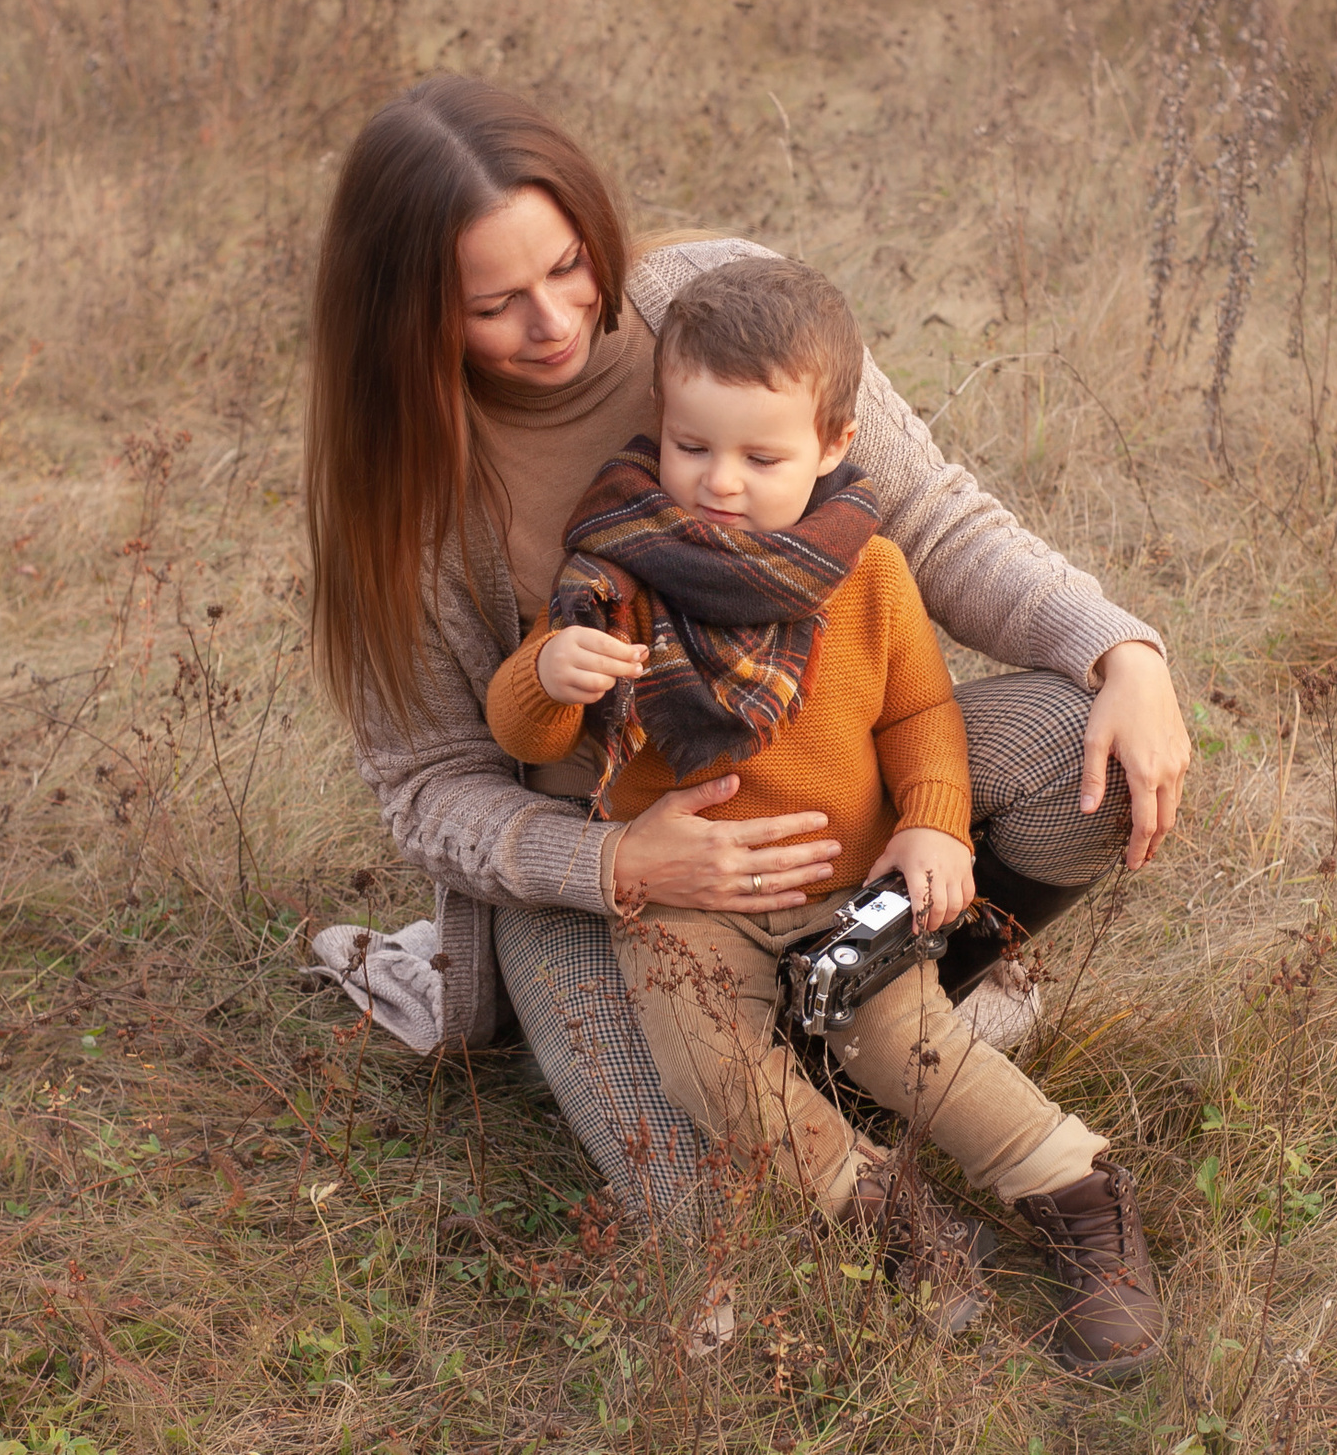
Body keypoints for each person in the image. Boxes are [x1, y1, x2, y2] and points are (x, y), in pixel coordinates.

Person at [302, 71, 1190, 1330]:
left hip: (840, 809)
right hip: (596, 876)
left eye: (566, 268)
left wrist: (1121, 654)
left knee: (1074, 751)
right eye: (492, 304)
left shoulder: (708, 307)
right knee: (704, 1193)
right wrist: (618, 863)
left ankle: (894, 1029)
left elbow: (932, 518)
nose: (554, 321)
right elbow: (428, 789)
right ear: (403, 313)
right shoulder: (407, 488)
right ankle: (871, 1184)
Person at [483, 257, 1160, 1369]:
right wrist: (547, 675)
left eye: (761, 456)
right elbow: (529, 738)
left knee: (911, 1039)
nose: (720, 483)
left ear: (834, 445)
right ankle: (881, 1211)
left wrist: (935, 820)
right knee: (715, 1074)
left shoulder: (870, 572)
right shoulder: (613, 569)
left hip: (840, 889)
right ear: (660, 424)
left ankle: (1073, 1192)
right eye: (691, 446)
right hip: (679, 905)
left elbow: (919, 715)